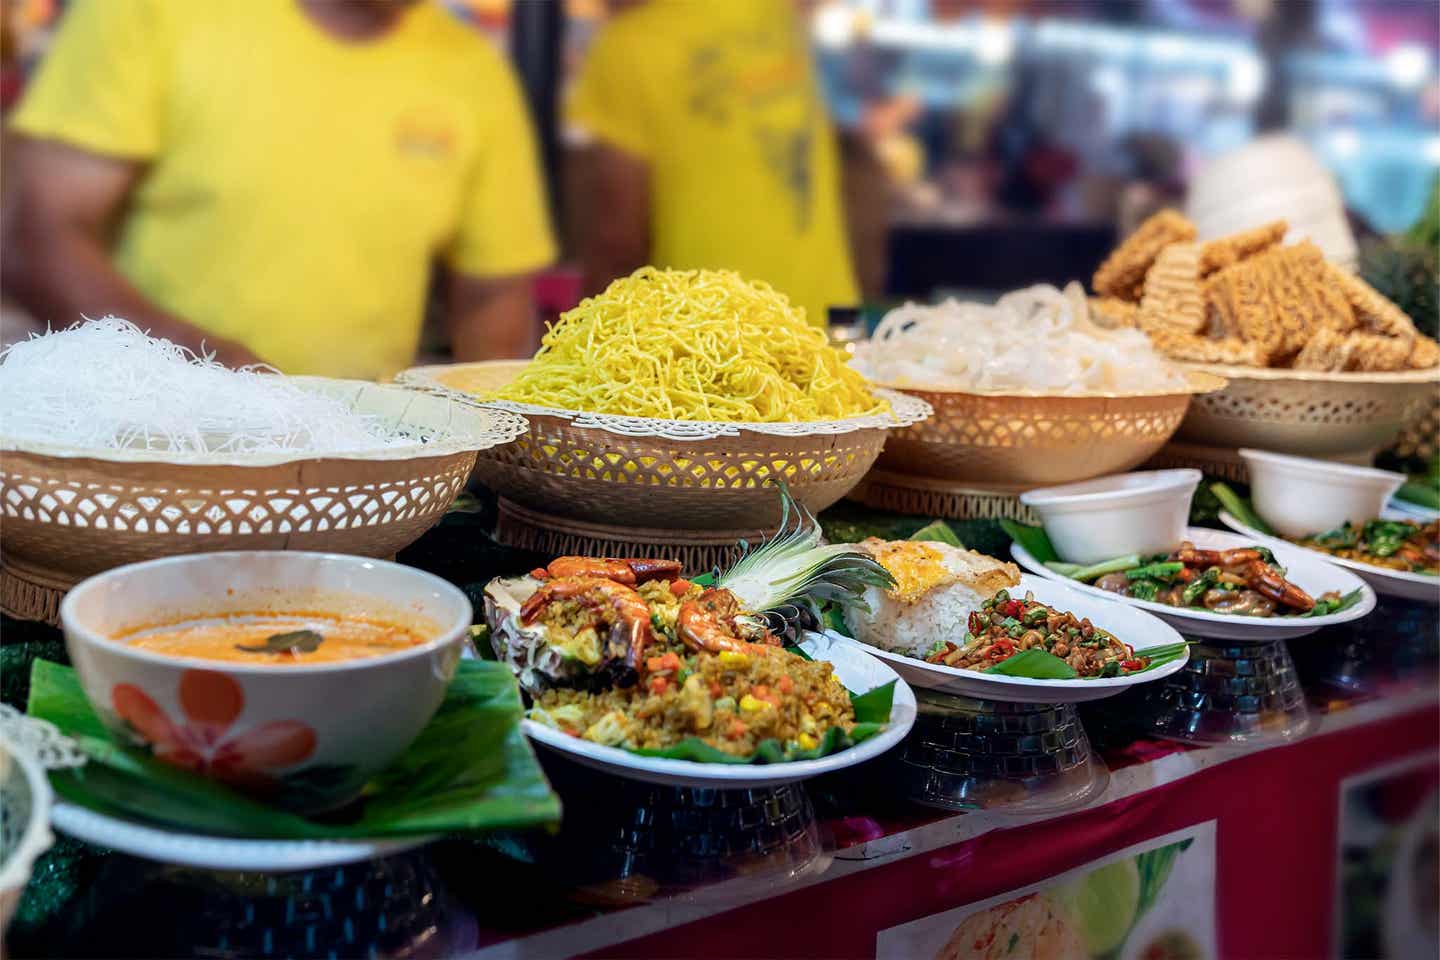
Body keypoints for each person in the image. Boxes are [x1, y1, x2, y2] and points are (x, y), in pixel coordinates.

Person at [2, 0, 554, 377]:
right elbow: (35, 236)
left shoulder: (472, 70)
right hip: (138, 451)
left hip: (359, 473)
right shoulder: (154, 11)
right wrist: (210, 366)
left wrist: (489, 460)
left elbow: (494, 298)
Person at [563, 0, 858, 327]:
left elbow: (617, 238)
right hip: (832, 322)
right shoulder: (769, 10)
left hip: (716, 343)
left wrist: (581, 340)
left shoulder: (629, 48)